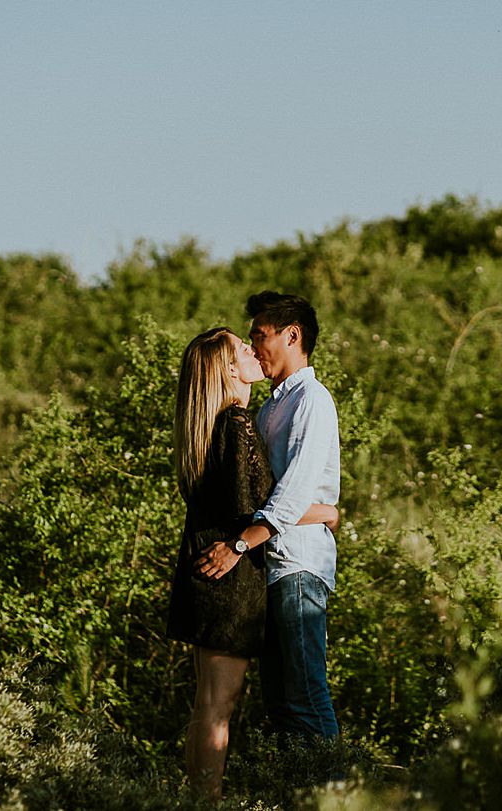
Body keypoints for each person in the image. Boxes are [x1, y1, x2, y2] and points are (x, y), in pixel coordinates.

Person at [166, 326, 339, 800]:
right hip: (230, 578)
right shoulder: (237, 423)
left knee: (208, 703)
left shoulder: (210, 428)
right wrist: (327, 511)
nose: (252, 351)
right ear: (226, 369)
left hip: (207, 572)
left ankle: (198, 797)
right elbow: (263, 504)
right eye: (242, 348)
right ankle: (207, 800)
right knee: (218, 706)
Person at [197, 292, 341, 741]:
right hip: (273, 568)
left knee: (305, 696)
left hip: (298, 566)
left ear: (291, 335)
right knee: (280, 705)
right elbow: (268, 494)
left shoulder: (311, 400)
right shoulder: (271, 406)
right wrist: (326, 512)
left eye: (261, 335)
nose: (255, 346)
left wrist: (239, 545)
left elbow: (293, 492)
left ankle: (338, 792)